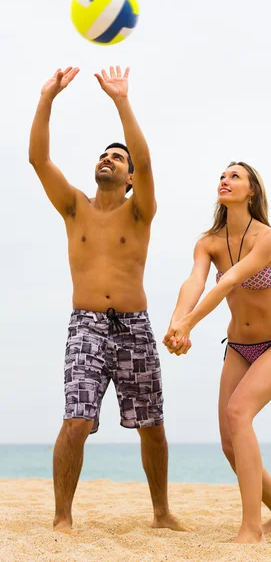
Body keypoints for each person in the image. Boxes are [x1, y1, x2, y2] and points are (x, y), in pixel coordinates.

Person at [29, 65, 188, 535]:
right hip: (87, 325)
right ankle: (62, 517)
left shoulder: (140, 212)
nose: (109, 159)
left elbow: (147, 159)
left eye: (118, 158)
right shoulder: (74, 205)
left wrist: (121, 101)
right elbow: (38, 160)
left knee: (151, 425)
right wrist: (46, 98)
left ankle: (160, 513)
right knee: (76, 420)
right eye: (103, 155)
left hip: (134, 326)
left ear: (131, 177)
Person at [163, 162, 271, 544]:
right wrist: (177, 321)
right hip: (238, 347)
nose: (226, 180)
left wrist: (190, 324)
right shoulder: (208, 241)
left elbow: (232, 280)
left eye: (235, 176)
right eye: (223, 176)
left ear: (252, 190)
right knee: (228, 441)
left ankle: (252, 530)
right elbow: (194, 281)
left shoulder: (268, 238)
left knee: (239, 414)